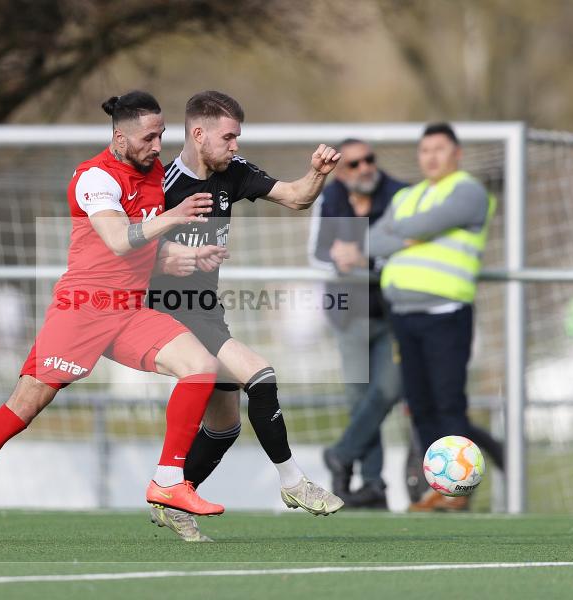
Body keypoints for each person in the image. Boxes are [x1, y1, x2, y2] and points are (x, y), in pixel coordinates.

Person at [0, 91, 232, 544]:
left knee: (201, 366)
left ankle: (167, 480)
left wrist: (181, 254)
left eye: (161, 135)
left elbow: (140, 250)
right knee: (21, 410)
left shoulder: (156, 172)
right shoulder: (94, 178)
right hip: (82, 311)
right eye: (148, 137)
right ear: (119, 137)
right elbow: (119, 240)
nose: (157, 145)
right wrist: (176, 218)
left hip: (128, 310)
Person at [146, 90, 344, 542]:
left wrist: (316, 174)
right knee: (260, 373)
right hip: (168, 312)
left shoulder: (233, 173)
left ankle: (172, 496)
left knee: (224, 426)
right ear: (198, 134)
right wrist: (169, 255)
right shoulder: (162, 183)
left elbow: (295, 198)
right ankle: (293, 481)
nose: (236, 145)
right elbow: (124, 244)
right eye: (228, 136)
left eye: (238, 136)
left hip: (205, 311)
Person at [369, 122, 504, 512]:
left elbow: (422, 225)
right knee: (420, 405)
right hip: (404, 315)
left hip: (446, 312)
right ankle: (440, 488)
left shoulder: (468, 191)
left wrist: (405, 230)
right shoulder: (409, 195)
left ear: (456, 153)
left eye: (439, 149)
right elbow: (372, 240)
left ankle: (458, 493)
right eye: (424, 150)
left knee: (448, 402)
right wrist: (408, 234)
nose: (431, 157)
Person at [309, 139, 406, 509]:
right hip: (346, 312)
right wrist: (337, 260)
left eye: (369, 159)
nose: (364, 167)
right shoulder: (328, 199)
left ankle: (341, 453)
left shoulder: (400, 195)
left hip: (392, 311)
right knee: (358, 397)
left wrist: (364, 255)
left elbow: (410, 244)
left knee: (387, 391)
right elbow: (316, 253)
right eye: (353, 164)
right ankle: (372, 485)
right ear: (342, 171)